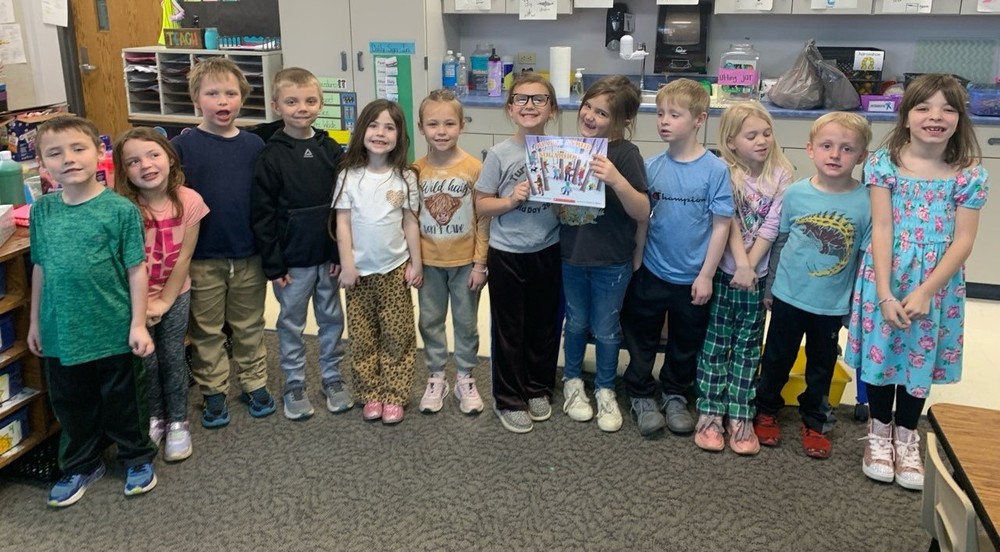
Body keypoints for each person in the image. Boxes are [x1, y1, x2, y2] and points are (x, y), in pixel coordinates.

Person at [848, 74, 989, 490]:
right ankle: (877, 432)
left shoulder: (969, 175)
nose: (936, 116)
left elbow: (964, 239)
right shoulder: (883, 163)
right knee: (882, 353)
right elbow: (882, 227)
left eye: (948, 109)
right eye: (924, 107)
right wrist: (886, 292)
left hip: (936, 284)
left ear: (960, 119)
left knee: (917, 358)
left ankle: (908, 436)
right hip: (886, 274)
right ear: (906, 116)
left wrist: (927, 291)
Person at [29, 116, 157, 507]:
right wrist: (35, 320)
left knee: (124, 401)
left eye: (78, 148)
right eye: (55, 153)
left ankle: (136, 456)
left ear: (99, 154)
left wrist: (138, 323)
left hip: (112, 326)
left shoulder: (119, 210)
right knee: (71, 403)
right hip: (61, 331)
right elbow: (40, 267)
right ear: (42, 165)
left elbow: (137, 270)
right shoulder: (42, 212)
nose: (68, 159)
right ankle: (81, 463)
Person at [754, 112, 873, 460]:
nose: (835, 155)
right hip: (789, 296)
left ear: (861, 156)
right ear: (810, 149)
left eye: (847, 148)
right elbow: (781, 243)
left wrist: (855, 305)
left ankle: (816, 418)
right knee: (776, 358)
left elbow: (864, 259)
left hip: (832, 304)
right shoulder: (795, 194)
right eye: (826, 146)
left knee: (822, 365)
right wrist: (770, 289)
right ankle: (766, 408)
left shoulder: (867, 202)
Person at [620, 78, 733, 438]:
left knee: (686, 340)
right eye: (661, 113)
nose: (664, 121)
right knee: (641, 336)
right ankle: (639, 393)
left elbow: (721, 226)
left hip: (693, 277)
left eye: (675, 115)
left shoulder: (716, 170)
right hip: (652, 269)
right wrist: (637, 262)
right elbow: (643, 219)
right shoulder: (651, 167)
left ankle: (674, 394)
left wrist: (706, 275)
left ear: (699, 120)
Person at [172, 57, 274, 428]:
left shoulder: (254, 145)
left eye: (230, 93)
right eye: (212, 93)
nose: (222, 101)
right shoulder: (182, 147)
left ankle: (254, 382)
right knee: (206, 328)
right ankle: (213, 390)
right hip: (202, 256)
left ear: (242, 99)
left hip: (248, 253)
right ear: (197, 99)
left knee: (249, 324)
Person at [252, 67, 353, 421]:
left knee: (331, 319)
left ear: (320, 103)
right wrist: (274, 264)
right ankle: (294, 382)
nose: (302, 108)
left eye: (310, 100)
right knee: (291, 323)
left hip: (327, 257)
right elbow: (263, 215)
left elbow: (342, 205)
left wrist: (341, 252)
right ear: (276, 104)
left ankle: (332, 376)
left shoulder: (330, 148)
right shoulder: (270, 154)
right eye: (292, 101)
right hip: (291, 263)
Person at [693, 103, 793, 454]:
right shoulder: (722, 169)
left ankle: (741, 414)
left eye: (766, 133)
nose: (762, 140)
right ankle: (709, 412)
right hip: (724, 272)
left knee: (749, 347)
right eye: (751, 135)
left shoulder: (781, 173)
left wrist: (751, 267)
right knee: (716, 344)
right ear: (732, 142)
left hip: (756, 276)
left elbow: (772, 225)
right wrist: (740, 264)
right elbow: (728, 218)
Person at [558, 75, 649, 433]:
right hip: (571, 256)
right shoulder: (568, 148)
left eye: (602, 112)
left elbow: (642, 210)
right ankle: (572, 382)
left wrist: (615, 178)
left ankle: (606, 388)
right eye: (588, 107)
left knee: (608, 328)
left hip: (612, 259)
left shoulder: (627, 155)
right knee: (576, 322)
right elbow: (559, 206)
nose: (591, 116)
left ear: (623, 121)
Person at [474, 73, 561, 434]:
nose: (529, 106)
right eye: (522, 100)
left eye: (539, 99)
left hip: (548, 247)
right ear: (510, 110)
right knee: (510, 328)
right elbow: (481, 204)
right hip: (507, 252)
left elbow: (570, 206)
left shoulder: (562, 150)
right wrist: (511, 200)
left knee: (544, 325)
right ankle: (509, 397)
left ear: (552, 109)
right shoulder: (499, 154)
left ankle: (537, 387)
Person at [115, 127, 208, 462]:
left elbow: (184, 257)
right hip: (134, 297)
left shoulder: (190, 201)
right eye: (133, 161)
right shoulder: (123, 208)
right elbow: (123, 263)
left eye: (153, 155)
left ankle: (178, 420)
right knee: (145, 362)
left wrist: (165, 301)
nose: (146, 165)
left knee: (171, 357)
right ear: (123, 171)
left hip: (175, 293)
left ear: (170, 157)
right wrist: (143, 307)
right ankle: (155, 417)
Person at [333, 99, 422, 425]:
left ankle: (395, 395)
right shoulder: (349, 175)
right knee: (362, 337)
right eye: (373, 125)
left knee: (398, 337)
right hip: (358, 273)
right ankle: (370, 393)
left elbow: (411, 222)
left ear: (399, 135)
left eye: (389, 127)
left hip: (395, 270)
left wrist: (417, 263)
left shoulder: (405, 177)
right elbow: (342, 223)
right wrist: (347, 264)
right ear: (361, 130)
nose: (380, 133)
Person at [413, 89, 488, 415]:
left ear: (462, 125)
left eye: (449, 123)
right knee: (429, 320)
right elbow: (409, 221)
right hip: (429, 263)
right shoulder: (414, 171)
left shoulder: (475, 168)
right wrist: (413, 262)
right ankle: (436, 376)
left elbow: (483, 220)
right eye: (433, 124)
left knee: (466, 322)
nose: (441, 131)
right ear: (421, 127)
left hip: (464, 264)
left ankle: (465, 377)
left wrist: (480, 263)